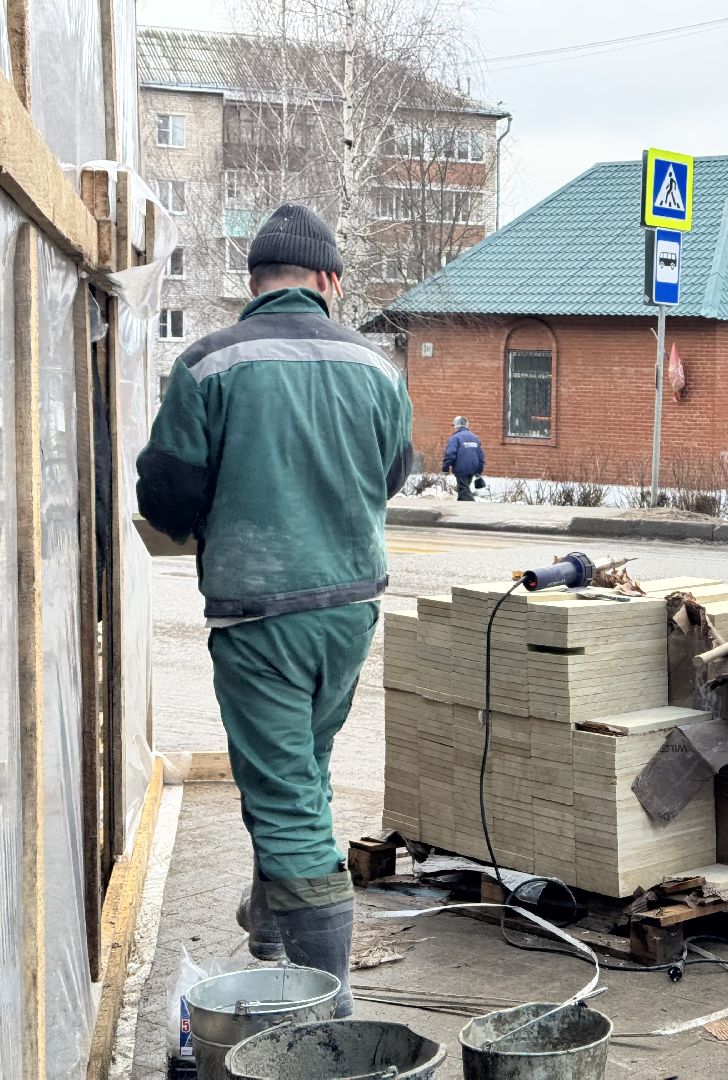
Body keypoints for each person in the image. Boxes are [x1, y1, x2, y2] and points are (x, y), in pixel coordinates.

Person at [136, 203, 413, 1017]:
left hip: (261, 615)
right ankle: (268, 922)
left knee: (288, 792)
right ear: (328, 281)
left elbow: (170, 489)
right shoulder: (378, 367)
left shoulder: (211, 362)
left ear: (255, 283)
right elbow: (393, 473)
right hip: (350, 611)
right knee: (299, 772)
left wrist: (212, 510)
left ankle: (332, 1017)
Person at [443, 416, 485, 500]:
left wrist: (445, 468)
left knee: (463, 489)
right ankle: (461, 507)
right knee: (464, 488)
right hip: (473, 468)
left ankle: (470, 507)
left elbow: (450, 454)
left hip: (461, 468)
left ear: (456, 426)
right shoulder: (475, 438)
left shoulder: (455, 438)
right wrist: (479, 470)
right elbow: (480, 455)